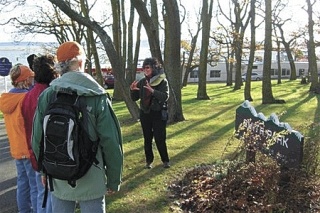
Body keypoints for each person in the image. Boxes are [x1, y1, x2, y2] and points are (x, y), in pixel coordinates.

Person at [31, 41, 123, 213]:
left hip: (58, 173)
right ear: (80, 62)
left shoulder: (48, 95)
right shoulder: (97, 96)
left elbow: (37, 138)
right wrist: (113, 179)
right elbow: (111, 142)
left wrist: (44, 170)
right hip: (92, 176)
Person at [22, 54, 59, 213]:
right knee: (52, 196)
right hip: (52, 153)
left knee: (40, 194)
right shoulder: (52, 94)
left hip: (35, 151)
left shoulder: (28, 96)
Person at [0, 64, 38, 213]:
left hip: (16, 148)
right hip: (28, 148)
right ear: (25, 79)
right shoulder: (25, 98)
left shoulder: (7, 98)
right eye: (31, 77)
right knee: (35, 186)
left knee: (23, 184)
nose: (32, 80)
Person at [130, 57, 170, 169]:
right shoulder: (142, 82)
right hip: (145, 113)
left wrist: (152, 91)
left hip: (158, 113)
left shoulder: (162, 81)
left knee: (159, 138)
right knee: (147, 138)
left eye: (147, 67)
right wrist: (132, 90)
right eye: (144, 68)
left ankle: (165, 160)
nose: (145, 70)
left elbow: (165, 97)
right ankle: (149, 161)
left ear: (154, 67)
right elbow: (134, 98)